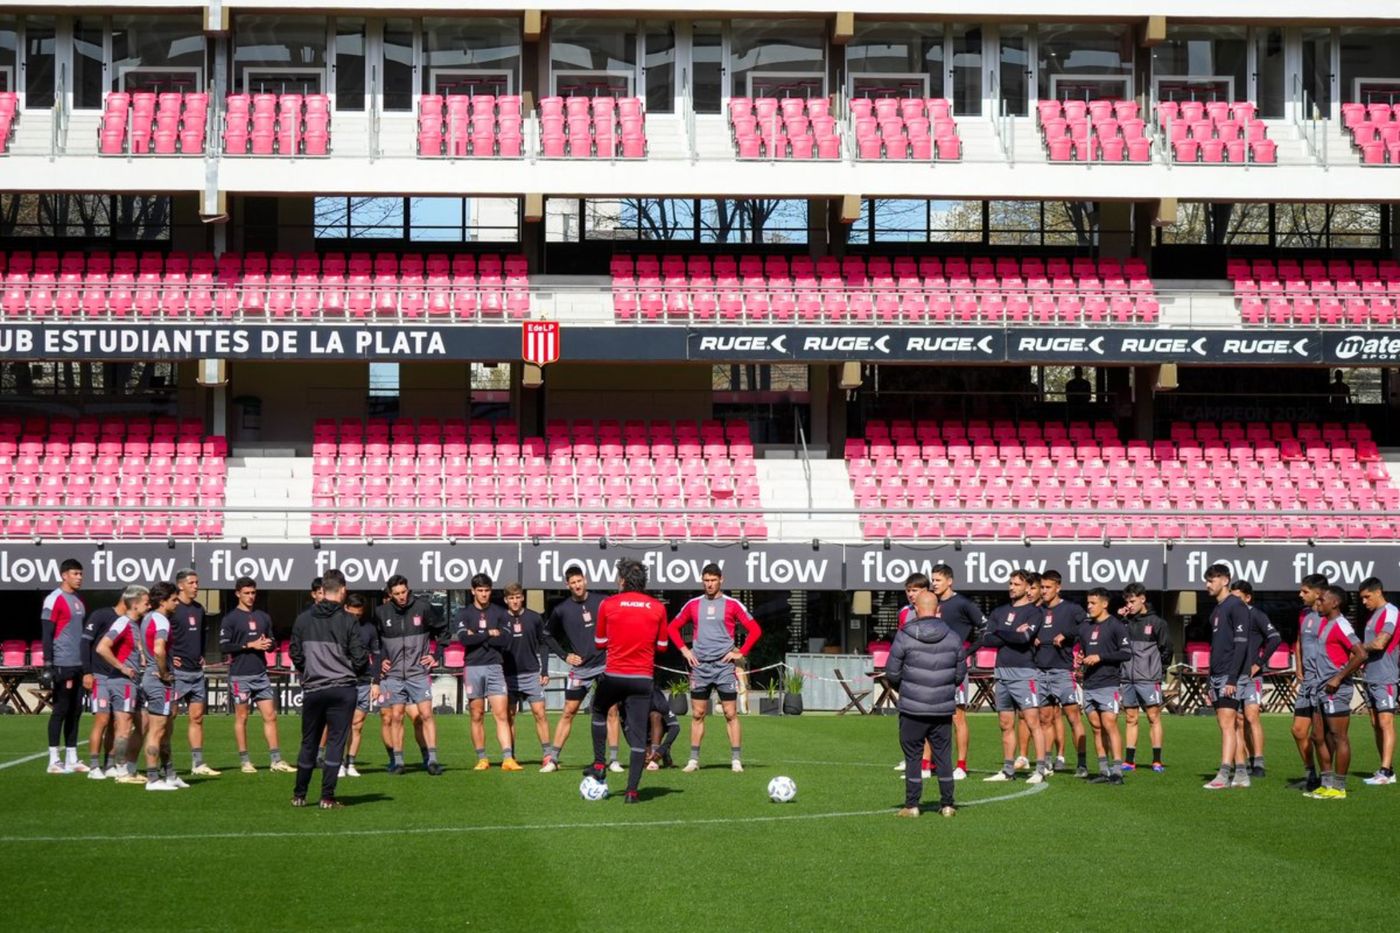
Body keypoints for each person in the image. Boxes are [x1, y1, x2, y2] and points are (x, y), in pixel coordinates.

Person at [582, 559, 669, 804]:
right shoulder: (658, 608)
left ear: (621, 580)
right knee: (639, 737)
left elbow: (600, 642)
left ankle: (600, 764)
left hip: (614, 675)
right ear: (644, 582)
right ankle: (631, 792)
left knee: (599, 709)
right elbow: (662, 646)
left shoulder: (608, 604)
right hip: (642, 678)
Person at [669, 563, 763, 774]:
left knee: (730, 713)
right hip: (700, 666)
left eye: (713, 580)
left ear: (721, 580)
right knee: (698, 714)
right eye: (706, 580)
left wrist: (741, 652)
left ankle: (736, 760)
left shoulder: (732, 604)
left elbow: (755, 630)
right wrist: (685, 651)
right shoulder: (693, 604)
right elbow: (672, 628)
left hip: (724, 667)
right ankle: (693, 760)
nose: (709, 584)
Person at [289, 569, 367, 809]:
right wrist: (350, 670)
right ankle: (327, 797)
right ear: (343, 590)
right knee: (335, 742)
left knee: (309, 742)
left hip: (314, 688)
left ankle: (299, 795)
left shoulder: (303, 619)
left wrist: (309, 670)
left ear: (322, 590)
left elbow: (295, 653)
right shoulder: (348, 620)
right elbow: (360, 659)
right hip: (343, 689)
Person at [886, 590, 963, 818]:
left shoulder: (904, 635)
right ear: (938, 610)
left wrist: (906, 690)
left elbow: (892, 672)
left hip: (912, 708)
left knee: (913, 756)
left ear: (916, 610)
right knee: (943, 756)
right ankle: (947, 804)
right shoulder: (953, 637)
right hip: (941, 708)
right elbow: (959, 674)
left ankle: (912, 805)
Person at [541, 566, 620, 773]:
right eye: (572, 582)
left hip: (605, 665)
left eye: (579, 581)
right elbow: (547, 635)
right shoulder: (561, 609)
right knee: (569, 711)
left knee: (612, 710)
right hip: (581, 669)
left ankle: (613, 760)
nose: (577, 585)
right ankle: (553, 760)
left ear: (585, 580)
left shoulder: (602, 601)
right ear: (567, 585)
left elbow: (619, 623)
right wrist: (565, 655)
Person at [219, 577, 294, 774]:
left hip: (261, 674)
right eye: (246, 593)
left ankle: (276, 760)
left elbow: (272, 641)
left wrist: (269, 644)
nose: (250, 596)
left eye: (253, 593)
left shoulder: (263, 617)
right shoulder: (230, 619)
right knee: (242, 717)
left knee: (270, 716)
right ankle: (245, 761)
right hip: (240, 676)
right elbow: (224, 646)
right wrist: (249, 645)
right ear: (238, 594)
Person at [374, 574, 447, 775]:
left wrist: (436, 655)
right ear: (390, 594)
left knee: (426, 715)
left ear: (408, 589)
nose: (401, 596)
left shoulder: (423, 607)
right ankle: (398, 762)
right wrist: (382, 660)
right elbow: (376, 643)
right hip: (394, 675)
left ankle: (432, 760)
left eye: (404, 592)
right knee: (396, 716)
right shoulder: (381, 612)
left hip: (418, 673)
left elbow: (443, 632)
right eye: (397, 593)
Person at [981, 570, 1049, 783]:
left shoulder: (1034, 612)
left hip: (1024, 673)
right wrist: (1011, 633)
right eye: (1010, 583)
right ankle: (1008, 770)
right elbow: (987, 639)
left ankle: (1040, 770)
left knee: (1032, 721)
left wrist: (1001, 633)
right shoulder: (999, 611)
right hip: (1001, 672)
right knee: (1005, 723)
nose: (1011, 587)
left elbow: (1024, 638)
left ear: (1028, 587)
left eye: (1017, 584)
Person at [1303, 585, 1368, 800]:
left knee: (1339, 737)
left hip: (1335, 689)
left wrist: (1338, 677)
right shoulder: (1325, 623)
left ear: (1335, 603)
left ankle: (1339, 788)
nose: (1318, 603)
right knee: (1317, 736)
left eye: (1322, 599)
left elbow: (1361, 654)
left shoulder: (1341, 624)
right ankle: (1326, 783)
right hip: (1320, 688)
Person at [88, 586, 150, 783]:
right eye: (146, 603)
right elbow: (101, 647)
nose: (149, 606)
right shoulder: (123, 622)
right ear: (135, 604)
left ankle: (119, 766)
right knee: (122, 725)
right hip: (122, 682)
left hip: (131, 682)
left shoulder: (134, 624)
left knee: (141, 722)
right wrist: (122, 667)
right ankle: (120, 770)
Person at [455, 573, 516, 770]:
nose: (483, 594)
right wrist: (489, 633)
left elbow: (505, 640)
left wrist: (477, 636)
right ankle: (482, 758)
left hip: (495, 666)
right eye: (480, 590)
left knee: (502, 714)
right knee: (477, 714)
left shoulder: (501, 613)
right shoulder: (464, 613)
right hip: (473, 667)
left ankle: (508, 758)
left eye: (487, 590)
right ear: (473, 591)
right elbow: (464, 640)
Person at [930, 564, 983, 780]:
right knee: (931, 716)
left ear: (949, 581)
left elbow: (986, 629)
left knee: (957, 717)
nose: (934, 583)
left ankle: (961, 765)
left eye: (938, 580)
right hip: (933, 667)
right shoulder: (931, 603)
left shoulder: (963, 604)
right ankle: (931, 763)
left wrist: (966, 651)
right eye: (932, 580)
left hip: (954, 668)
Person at [1202, 564, 1253, 790]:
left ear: (1225, 580)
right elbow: (1216, 647)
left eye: (1211, 580)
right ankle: (1241, 774)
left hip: (1230, 676)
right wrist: (1209, 680)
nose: (1207, 585)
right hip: (1217, 675)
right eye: (1207, 580)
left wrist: (1232, 678)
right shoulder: (1217, 610)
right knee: (1229, 725)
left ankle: (1223, 774)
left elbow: (1241, 645)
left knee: (1226, 724)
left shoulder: (1237, 606)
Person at [1034, 570, 1087, 776]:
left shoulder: (1072, 609)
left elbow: (1087, 628)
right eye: (1042, 587)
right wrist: (1031, 637)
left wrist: (1067, 634)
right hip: (1040, 671)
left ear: (1058, 587)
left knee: (1073, 718)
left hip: (1062, 671)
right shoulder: (1036, 611)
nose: (1044, 591)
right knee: (1045, 719)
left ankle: (1081, 763)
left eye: (1048, 587)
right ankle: (1047, 761)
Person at [1078, 588, 1131, 785]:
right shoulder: (1085, 627)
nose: (1089, 606)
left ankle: (1117, 771)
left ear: (1105, 604)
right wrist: (1081, 658)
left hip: (1108, 683)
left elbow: (1126, 653)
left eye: (1093, 603)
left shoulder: (1116, 626)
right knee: (1096, 728)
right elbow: (1084, 650)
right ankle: (1103, 770)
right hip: (1089, 683)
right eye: (1088, 603)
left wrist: (1100, 657)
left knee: (1110, 725)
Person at [1231, 580, 1282, 778]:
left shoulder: (1257, 615)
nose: (1234, 601)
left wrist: (1259, 663)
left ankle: (1259, 762)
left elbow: (1275, 638)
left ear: (1248, 597)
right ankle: (1244, 761)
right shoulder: (1229, 616)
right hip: (1234, 675)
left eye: (1238, 597)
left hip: (1252, 676)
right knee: (1238, 719)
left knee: (1252, 716)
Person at [41, 558, 88, 774]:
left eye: (81, 574)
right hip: (62, 663)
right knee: (61, 709)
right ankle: (53, 760)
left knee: (76, 710)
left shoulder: (78, 600)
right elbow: (47, 633)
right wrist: (48, 664)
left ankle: (72, 758)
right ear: (64, 575)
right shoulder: (54, 599)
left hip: (78, 663)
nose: (79, 577)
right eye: (75, 574)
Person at [168, 569, 216, 777]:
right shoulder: (172, 608)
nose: (196, 586)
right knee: (169, 717)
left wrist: (202, 654)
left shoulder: (199, 609)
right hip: (176, 673)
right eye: (192, 583)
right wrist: (169, 657)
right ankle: (165, 763)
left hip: (196, 672)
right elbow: (160, 637)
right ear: (181, 586)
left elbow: (203, 635)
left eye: (197, 582)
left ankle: (198, 763)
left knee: (197, 717)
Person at [1118, 582, 1171, 773]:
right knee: (1130, 718)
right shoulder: (1124, 622)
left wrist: (1156, 671)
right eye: (1127, 601)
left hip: (1149, 679)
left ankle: (1156, 760)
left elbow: (1167, 650)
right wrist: (1120, 619)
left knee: (1153, 717)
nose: (1129, 605)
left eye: (1132, 601)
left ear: (1142, 599)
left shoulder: (1157, 623)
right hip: (1127, 679)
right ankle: (1129, 761)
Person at [139, 582, 186, 791]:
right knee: (157, 730)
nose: (177, 603)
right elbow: (158, 649)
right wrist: (164, 672)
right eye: (174, 599)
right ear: (162, 601)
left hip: (152, 676)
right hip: (158, 680)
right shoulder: (161, 620)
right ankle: (152, 778)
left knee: (165, 730)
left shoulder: (148, 618)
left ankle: (170, 774)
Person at [501, 583, 552, 764]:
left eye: (517, 597)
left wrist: (544, 670)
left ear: (522, 597)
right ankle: (511, 756)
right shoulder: (500, 618)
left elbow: (544, 644)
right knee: (509, 716)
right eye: (511, 598)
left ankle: (548, 755)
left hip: (531, 674)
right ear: (506, 600)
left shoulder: (534, 618)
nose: (515, 601)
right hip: (508, 675)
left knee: (540, 713)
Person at [1290, 574, 1332, 792]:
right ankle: (1311, 775)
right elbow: (1299, 641)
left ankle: (1328, 778)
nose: (1300, 594)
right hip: (1308, 683)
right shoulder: (1304, 614)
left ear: (1318, 593)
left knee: (1322, 735)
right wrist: (1299, 667)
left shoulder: (1331, 616)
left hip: (1325, 683)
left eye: (1305, 591)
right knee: (1298, 730)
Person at [1358, 577, 1398, 786]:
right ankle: (1386, 769)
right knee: (1376, 723)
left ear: (1378, 592)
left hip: (1386, 677)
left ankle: (1385, 771)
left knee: (1385, 722)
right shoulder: (1373, 616)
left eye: (1367, 597)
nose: (1364, 602)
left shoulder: (1390, 612)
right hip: (1370, 676)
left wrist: (1358, 649)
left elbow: (1381, 642)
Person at [892, 572, 932, 778]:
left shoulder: (934, 610)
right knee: (908, 717)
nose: (911, 594)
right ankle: (912, 758)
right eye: (908, 590)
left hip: (928, 671)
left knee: (925, 717)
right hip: (909, 671)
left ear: (925, 591)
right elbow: (901, 639)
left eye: (915, 590)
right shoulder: (904, 612)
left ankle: (926, 763)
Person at [80, 591, 124, 779]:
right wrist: (87, 671)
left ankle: (110, 764)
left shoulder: (132, 621)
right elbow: (85, 643)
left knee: (116, 722)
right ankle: (94, 766)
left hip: (120, 678)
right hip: (100, 676)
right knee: (102, 719)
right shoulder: (101, 615)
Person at [343, 594, 380, 777]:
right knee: (341, 725)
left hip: (364, 682)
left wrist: (376, 682)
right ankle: (337, 763)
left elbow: (377, 655)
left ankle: (350, 763)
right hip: (343, 682)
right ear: (345, 608)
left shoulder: (369, 629)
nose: (356, 618)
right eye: (353, 614)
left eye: (359, 614)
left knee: (357, 725)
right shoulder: (338, 627)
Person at [644, 685, 682, 771]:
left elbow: (675, 727)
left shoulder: (657, 699)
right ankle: (650, 750)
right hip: (641, 729)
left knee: (655, 715)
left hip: (658, 725)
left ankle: (656, 753)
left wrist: (662, 749)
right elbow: (627, 728)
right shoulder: (628, 701)